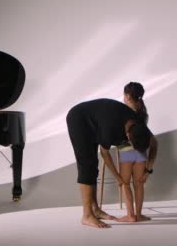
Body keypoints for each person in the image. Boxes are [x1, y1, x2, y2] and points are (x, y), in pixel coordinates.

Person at [66, 98, 154, 228]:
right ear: (128, 136)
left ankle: (95, 209)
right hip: (79, 119)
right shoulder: (110, 129)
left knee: (93, 166)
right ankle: (87, 215)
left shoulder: (138, 123)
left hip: (97, 120)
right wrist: (118, 177)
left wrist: (148, 170)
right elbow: (105, 153)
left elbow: (154, 144)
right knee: (86, 165)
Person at [116, 82, 158, 222]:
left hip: (126, 153)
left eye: (124, 95)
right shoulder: (143, 114)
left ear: (127, 96)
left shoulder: (122, 113)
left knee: (125, 183)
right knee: (139, 184)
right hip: (141, 154)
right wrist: (149, 169)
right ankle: (139, 214)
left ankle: (130, 215)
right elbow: (148, 139)